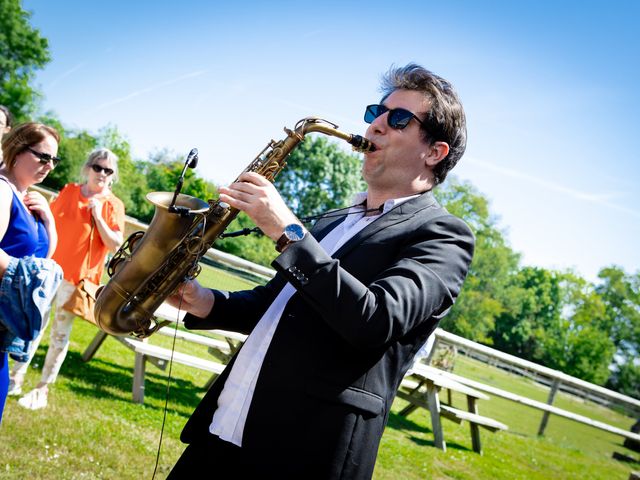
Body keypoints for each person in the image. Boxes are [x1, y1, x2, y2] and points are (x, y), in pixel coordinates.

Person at [167, 63, 475, 479]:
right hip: (224, 429)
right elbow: (278, 306)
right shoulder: (333, 221)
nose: (376, 125)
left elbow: (375, 320)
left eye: (398, 118)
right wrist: (205, 302)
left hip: (304, 455)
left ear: (435, 152)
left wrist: (286, 230)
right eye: (375, 113)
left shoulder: (444, 235)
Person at [13, 148, 125, 410]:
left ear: (113, 176)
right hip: (49, 269)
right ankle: (16, 376)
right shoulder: (69, 191)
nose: (102, 174)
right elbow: (46, 220)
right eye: (98, 167)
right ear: (88, 168)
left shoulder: (112, 205)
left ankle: (42, 389)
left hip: (77, 280)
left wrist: (98, 216)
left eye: (108, 170)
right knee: (32, 325)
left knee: (59, 335)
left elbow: (115, 244)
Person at [0, 122, 62, 424]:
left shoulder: (27, 196)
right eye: (43, 156)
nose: (49, 166)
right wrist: (24, 277)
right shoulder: (1, 191)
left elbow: (42, 258)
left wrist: (48, 219)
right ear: (17, 149)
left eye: (54, 160)